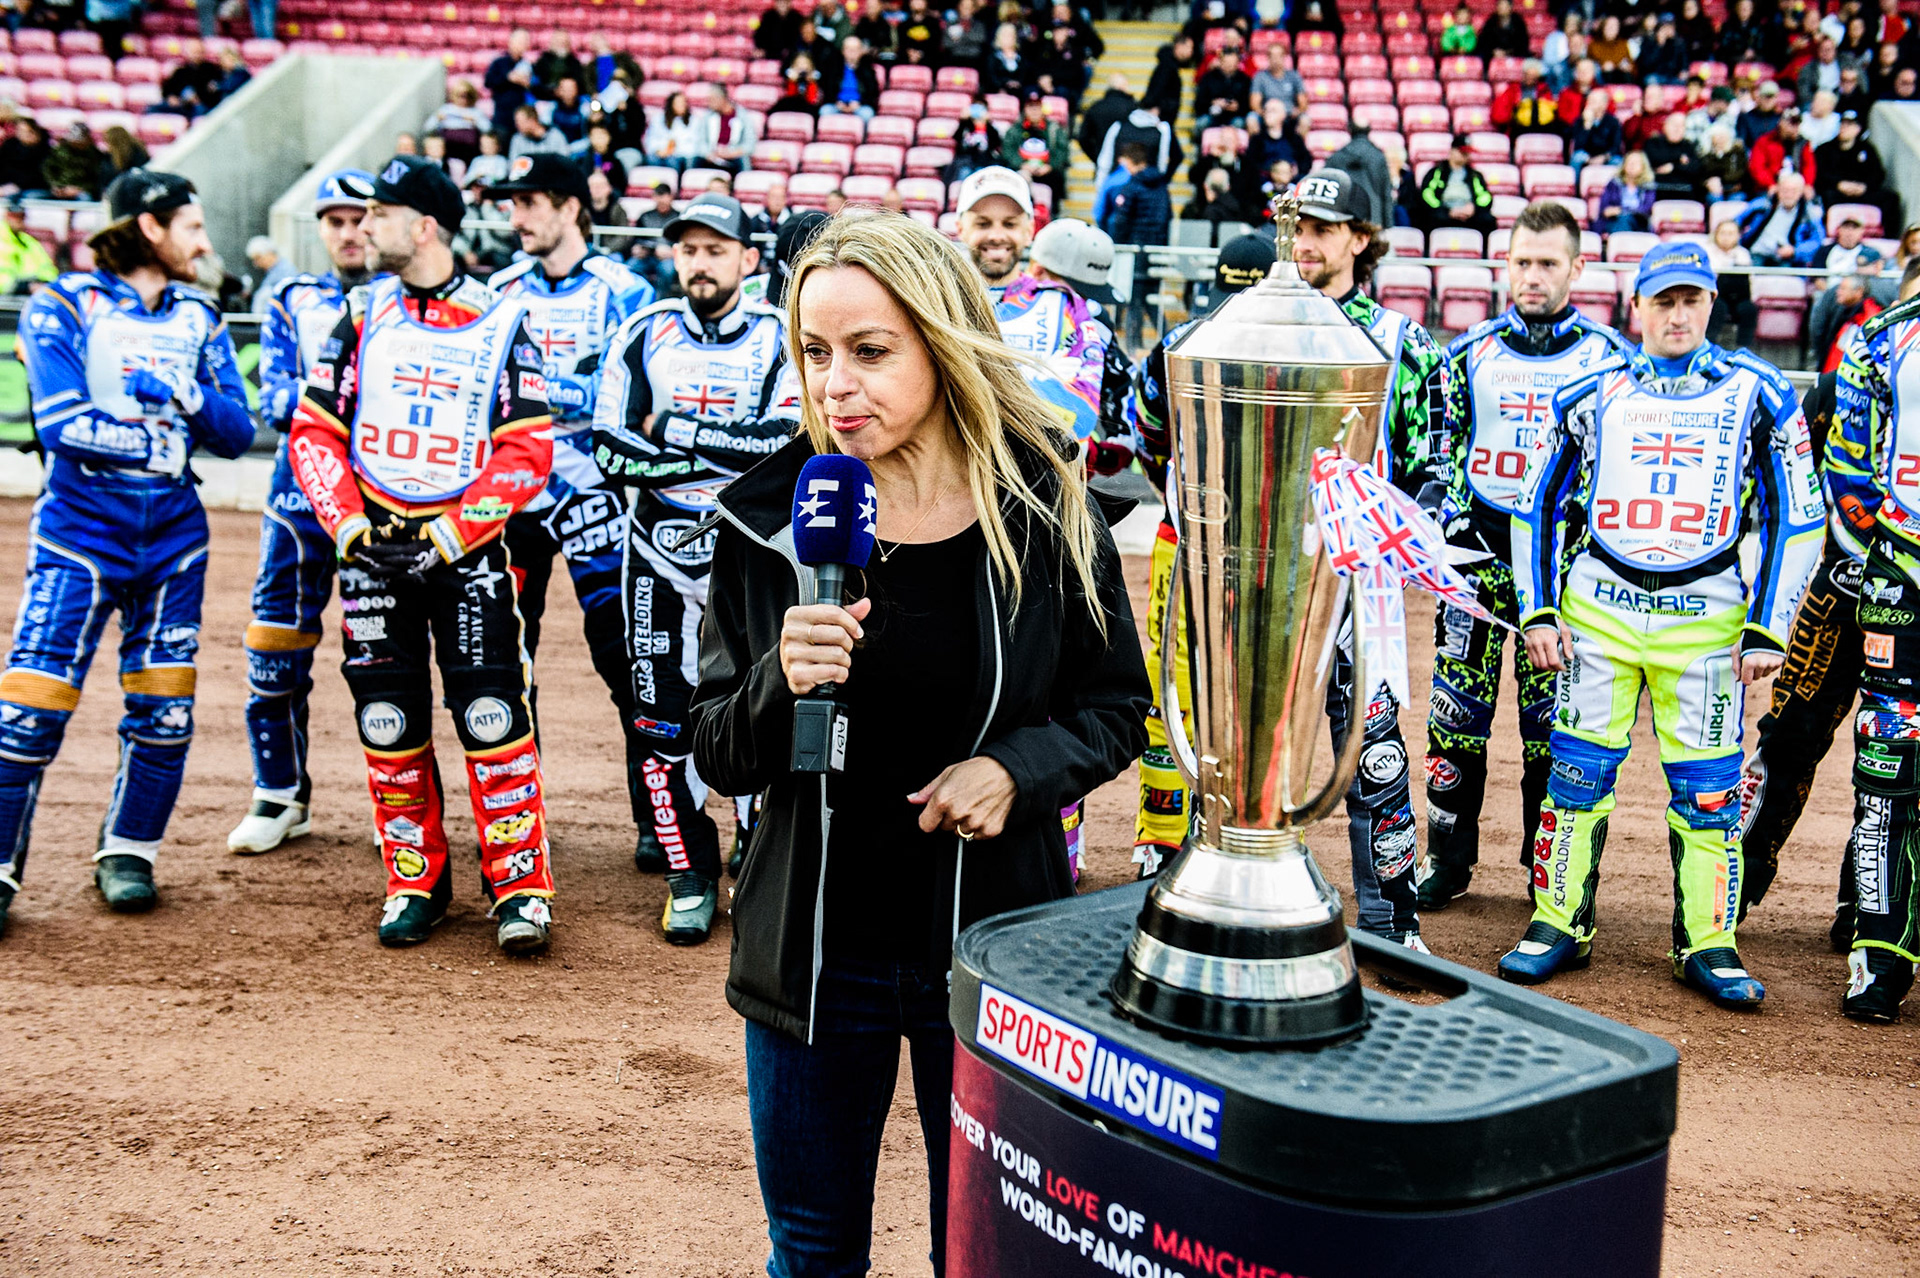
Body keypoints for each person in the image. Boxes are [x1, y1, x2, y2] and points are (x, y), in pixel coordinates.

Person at [691, 209, 1147, 1278]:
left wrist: (1015, 771)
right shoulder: (767, 520)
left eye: (869, 350)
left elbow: (1116, 707)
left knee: (983, 1257)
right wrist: (777, 681)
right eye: (813, 352)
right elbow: (717, 748)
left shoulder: (1045, 509)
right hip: (812, 953)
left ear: (942, 343)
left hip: (994, 953)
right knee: (810, 1254)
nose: (834, 383)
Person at [1508, 241, 1824, 1007]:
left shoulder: (1761, 390)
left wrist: (1769, 625)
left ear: (1711, 303)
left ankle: (1707, 942)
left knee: (1711, 790)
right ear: (1637, 306)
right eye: (1663, 300)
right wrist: (1540, 611)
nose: (1677, 314)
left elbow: (1798, 515)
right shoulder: (1589, 391)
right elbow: (1536, 505)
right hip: (1600, 612)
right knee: (1575, 775)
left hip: (1707, 618)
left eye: (1691, 299)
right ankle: (1558, 922)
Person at [288, 156, 558, 954]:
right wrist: (348, 526)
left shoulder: (504, 319)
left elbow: (526, 450)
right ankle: (415, 880)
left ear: (425, 225)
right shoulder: (362, 313)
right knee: (387, 721)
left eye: (377, 212)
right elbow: (314, 432)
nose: (361, 227)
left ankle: (521, 891)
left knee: (494, 719)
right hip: (371, 553)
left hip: (466, 559)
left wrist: (450, 534)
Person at [0, 169, 253, 934]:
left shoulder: (202, 318)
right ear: (151, 227)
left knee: (166, 713)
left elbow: (238, 431)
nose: (205, 244)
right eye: (194, 227)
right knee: (28, 712)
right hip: (79, 536)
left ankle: (129, 853)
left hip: (175, 545)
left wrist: (185, 399)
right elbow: (62, 423)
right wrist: (163, 445)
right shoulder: (60, 305)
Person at [591, 193, 800, 945]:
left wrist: (671, 431)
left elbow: (782, 441)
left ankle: (755, 855)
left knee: (759, 703)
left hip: (748, 554)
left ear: (749, 259)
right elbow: (609, 448)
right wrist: (710, 452)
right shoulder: (641, 334)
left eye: (716, 249)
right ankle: (688, 871)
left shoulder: (782, 335)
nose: (699, 263)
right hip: (653, 554)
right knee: (658, 715)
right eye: (687, 250)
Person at [1418, 202, 1630, 910]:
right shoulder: (1467, 352)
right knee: (1455, 720)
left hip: (1563, 577)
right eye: (1521, 262)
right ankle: (1447, 860)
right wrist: (1445, 525)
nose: (1532, 276)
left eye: (1547, 263)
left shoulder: (1611, 361)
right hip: (1476, 564)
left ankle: (1550, 870)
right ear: (1503, 265)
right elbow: (1438, 455)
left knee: (1554, 732)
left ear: (1577, 267)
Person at [475, 155, 661, 878]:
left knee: (628, 660)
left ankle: (659, 817)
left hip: (597, 493)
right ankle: (518, 826)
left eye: (528, 202)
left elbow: (639, 403)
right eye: (512, 203)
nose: (515, 217)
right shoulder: (496, 291)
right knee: (503, 659)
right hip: (513, 495)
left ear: (570, 207)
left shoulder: (629, 291)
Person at [1289, 168, 1448, 949]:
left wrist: (1390, 538)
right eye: (1297, 226)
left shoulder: (1403, 343)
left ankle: (1391, 919)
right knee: (1253, 750)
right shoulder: (1261, 325)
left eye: (1322, 227)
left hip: (1358, 592)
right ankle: (1242, 897)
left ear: (1360, 238)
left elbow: (1437, 464)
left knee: (1375, 752)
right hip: (1271, 583)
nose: (1305, 242)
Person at [226, 172, 380, 853]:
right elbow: (272, 398)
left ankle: (397, 804)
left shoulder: (410, 301)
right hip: (298, 496)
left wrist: (324, 402)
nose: (348, 232)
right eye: (334, 221)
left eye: (359, 218)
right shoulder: (292, 297)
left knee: (384, 658)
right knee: (273, 649)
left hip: (384, 499)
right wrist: (353, 402)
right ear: (320, 230)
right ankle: (280, 794)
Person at [1121, 231, 1276, 874]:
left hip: (1205, 538)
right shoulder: (1296, 351)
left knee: (1191, 688)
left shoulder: (1178, 340)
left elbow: (1149, 436)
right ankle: (1187, 830)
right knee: (1205, 688)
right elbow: (1149, 435)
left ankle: (1182, 834)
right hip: (1224, 542)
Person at [1820, 260, 1920, 1022]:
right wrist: (1877, 550)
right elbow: (1847, 466)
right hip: (1903, 577)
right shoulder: (1881, 342)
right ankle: (1879, 955)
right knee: (1886, 764)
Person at [1103, 141, 1172, 350]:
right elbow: (1167, 217)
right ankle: (1170, 339)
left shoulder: (1132, 187)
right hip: (1156, 250)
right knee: (1150, 300)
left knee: (1134, 299)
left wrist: (1117, 244)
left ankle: (1133, 348)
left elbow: (1121, 221)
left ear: (1130, 161)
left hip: (1134, 251)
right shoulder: (1162, 187)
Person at [1815, 111, 1895, 234]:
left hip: (1861, 193)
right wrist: (1838, 184)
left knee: (1890, 198)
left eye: (1849, 125)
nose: (1844, 128)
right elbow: (1819, 174)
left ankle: (1886, 235)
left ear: (1858, 129)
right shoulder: (1825, 149)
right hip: (1836, 192)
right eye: (1843, 124)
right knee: (1827, 197)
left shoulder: (1866, 149)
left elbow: (1878, 174)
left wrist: (1864, 186)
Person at [1739, 171, 1827, 266]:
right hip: (1756, 253)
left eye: (1793, 191)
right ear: (1777, 189)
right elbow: (1734, 223)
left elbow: (1817, 241)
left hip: (1787, 259)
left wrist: (1795, 251)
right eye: (1785, 190)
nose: (1788, 195)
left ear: (1801, 192)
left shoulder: (1809, 214)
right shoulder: (1760, 206)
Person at [1417, 136, 1496, 234]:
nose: (1465, 155)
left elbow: (1485, 197)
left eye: (1467, 153)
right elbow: (1427, 194)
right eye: (1462, 152)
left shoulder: (1475, 175)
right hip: (1444, 211)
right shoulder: (1437, 172)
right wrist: (1448, 211)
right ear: (1452, 151)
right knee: (1429, 218)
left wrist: (1473, 208)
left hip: (1469, 212)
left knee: (1487, 220)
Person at [1705, 215, 1758, 347]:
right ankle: (1709, 346)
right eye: (1723, 233)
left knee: (1749, 309)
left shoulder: (1743, 254)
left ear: (1738, 236)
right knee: (1717, 307)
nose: (1726, 237)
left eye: (1731, 233)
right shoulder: (1707, 252)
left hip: (1739, 296)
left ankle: (1744, 349)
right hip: (1716, 295)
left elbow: (1751, 280)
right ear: (1716, 234)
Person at [484, 29, 538, 137]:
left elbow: (537, 89)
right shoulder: (499, 63)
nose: (522, 44)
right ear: (511, 42)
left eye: (525, 41)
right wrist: (508, 78)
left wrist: (528, 84)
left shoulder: (528, 65)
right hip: (502, 117)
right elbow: (488, 82)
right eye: (520, 41)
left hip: (522, 119)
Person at [1749, 107, 1816, 194]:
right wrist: (1770, 184)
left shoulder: (1803, 143)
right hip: (1770, 187)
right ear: (1781, 122)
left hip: (1797, 188)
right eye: (1792, 123)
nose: (1795, 127)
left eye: (1797, 123)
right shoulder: (1765, 141)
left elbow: (1809, 166)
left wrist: (1807, 184)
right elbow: (1757, 167)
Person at [1492, 59, 1562, 138]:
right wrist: (1513, 113)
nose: (1529, 78)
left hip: (1541, 129)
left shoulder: (1545, 91)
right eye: (1527, 75)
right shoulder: (1512, 90)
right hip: (1518, 130)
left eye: (1533, 76)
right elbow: (1498, 114)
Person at [1192, 44, 1251, 137]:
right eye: (1226, 62)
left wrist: (1237, 107)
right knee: (1202, 123)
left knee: (1239, 123)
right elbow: (1198, 103)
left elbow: (1248, 104)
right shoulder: (1208, 78)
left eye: (1232, 63)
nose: (1229, 66)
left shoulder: (1245, 80)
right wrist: (1213, 103)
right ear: (1220, 61)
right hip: (1212, 115)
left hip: (1235, 116)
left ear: (1238, 63)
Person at [0, 196, 55, 293]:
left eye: (21, 216)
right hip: (7, 295)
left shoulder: (30, 241)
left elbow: (47, 268)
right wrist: (23, 287)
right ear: (6, 216)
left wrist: (44, 282)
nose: (18, 221)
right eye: (14, 216)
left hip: (32, 291)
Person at [699, 85, 758, 174]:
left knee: (743, 160)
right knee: (695, 159)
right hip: (713, 155)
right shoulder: (708, 116)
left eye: (712, 100)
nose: (709, 103)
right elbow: (701, 141)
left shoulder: (742, 116)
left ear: (722, 99)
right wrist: (709, 154)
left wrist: (731, 153)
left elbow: (750, 145)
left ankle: (742, 185)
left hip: (733, 156)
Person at [1645, 111, 1703, 200]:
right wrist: (1679, 159)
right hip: (1658, 190)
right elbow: (1654, 159)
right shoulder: (1653, 142)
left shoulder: (1688, 146)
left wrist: (1673, 167)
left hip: (1684, 192)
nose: (1677, 129)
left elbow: (1695, 168)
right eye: (1674, 125)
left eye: (1681, 126)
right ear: (1665, 126)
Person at [1596, 150, 1657, 232]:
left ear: (1643, 167)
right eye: (1629, 162)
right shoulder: (1614, 184)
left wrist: (1622, 210)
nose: (1632, 165)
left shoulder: (1648, 187)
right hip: (1614, 221)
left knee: (1626, 219)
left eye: (1636, 163)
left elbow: (1646, 209)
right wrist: (1608, 211)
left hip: (1639, 223)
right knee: (1622, 221)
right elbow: (1604, 208)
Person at [1568, 87, 1625, 173]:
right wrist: (1587, 125)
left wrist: (1603, 157)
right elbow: (1578, 146)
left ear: (1604, 104)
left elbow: (1616, 146)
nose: (1589, 104)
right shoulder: (1580, 121)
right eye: (1589, 100)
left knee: (1618, 161)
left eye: (1593, 101)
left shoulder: (1613, 122)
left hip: (1606, 156)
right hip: (1587, 156)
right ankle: (1576, 186)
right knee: (1577, 158)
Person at [820, 36, 881, 118]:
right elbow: (827, 89)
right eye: (848, 48)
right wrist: (837, 102)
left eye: (855, 49)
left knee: (867, 114)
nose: (852, 51)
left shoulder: (868, 69)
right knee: (824, 111)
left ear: (861, 51)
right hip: (837, 104)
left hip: (859, 105)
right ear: (843, 51)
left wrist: (859, 103)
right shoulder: (833, 68)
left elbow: (873, 92)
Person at [645, 91, 703, 171]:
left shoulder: (694, 121)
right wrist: (659, 150)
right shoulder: (658, 119)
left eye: (684, 102)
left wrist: (673, 151)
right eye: (678, 103)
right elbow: (651, 138)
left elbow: (694, 144)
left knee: (672, 162)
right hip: (661, 152)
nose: (682, 105)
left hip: (682, 155)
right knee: (651, 159)